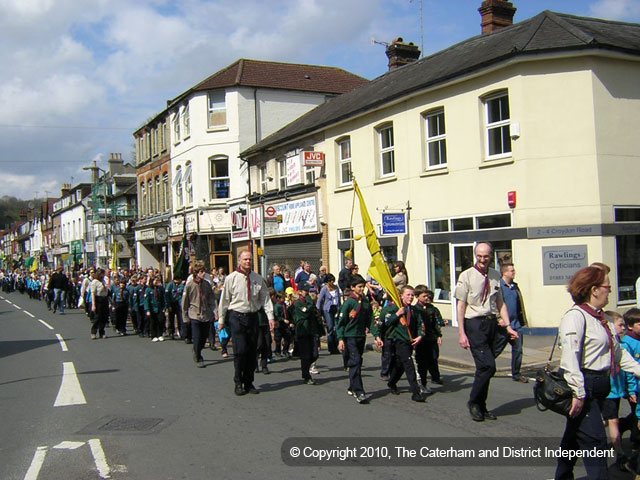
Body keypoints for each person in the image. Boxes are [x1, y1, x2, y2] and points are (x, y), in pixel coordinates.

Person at [555, 264, 640, 480]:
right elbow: (570, 358)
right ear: (594, 289)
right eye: (607, 287)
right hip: (586, 386)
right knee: (596, 443)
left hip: (601, 385)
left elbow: (619, 354)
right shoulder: (576, 317)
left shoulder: (601, 319)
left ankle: (562, 476)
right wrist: (579, 393)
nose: (610, 291)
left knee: (573, 438)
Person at [455, 242, 518, 422]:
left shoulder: (496, 275)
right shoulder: (466, 275)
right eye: (479, 256)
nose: (482, 260)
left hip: (492, 324)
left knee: (485, 369)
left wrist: (508, 326)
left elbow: (500, 303)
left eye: (486, 256)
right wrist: (461, 333)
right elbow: (461, 305)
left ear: (491, 256)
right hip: (474, 324)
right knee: (487, 366)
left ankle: (481, 405)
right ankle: (474, 403)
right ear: (476, 256)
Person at [218, 250, 274, 396]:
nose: (248, 262)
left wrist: (270, 317)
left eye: (250, 259)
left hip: (253, 316)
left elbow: (265, 298)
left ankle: (248, 382)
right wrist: (221, 319)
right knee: (240, 350)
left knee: (252, 351)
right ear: (239, 261)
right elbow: (224, 300)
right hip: (237, 317)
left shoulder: (257, 278)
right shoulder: (231, 278)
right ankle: (238, 382)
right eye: (245, 259)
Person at [336, 275, 382, 404]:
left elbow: (370, 321)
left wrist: (376, 336)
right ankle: (359, 391)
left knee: (358, 361)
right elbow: (341, 322)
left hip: (361, 336)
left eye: (363, 286)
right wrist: (340, 339)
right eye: (359, 287)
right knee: (355, 361)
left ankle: (352, 385)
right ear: (352, 288)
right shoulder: (349, 303)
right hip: (349, 336)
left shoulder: (366, 302)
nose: (362, 289)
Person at [601, 311, 632, 471]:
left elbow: (626, 369)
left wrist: (627, 388)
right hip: (608, 390)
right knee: (613, 421)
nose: (623, 328)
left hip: (617, 389)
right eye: (620, 325)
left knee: (607, 420)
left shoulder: (620, 343)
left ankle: (588, 434)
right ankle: (619, 453)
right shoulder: (606, 344)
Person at [383, 285, 425, 403]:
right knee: (409, 364)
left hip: (410, 341)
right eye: (408, 295)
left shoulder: (414, 310)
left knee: (400, 365)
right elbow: (386, 322)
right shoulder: (395, 308)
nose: (410, 297)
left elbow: (419, 324)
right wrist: (397, 314)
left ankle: (392, 382)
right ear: (401, 296)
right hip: (399, 341)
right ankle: (416, 392)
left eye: (412, 295)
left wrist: (420, 336)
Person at [493, 262, 529, 383]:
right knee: (496, 350)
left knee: (518, 350)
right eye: (511, 271)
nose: (514, 272)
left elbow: (519, 305)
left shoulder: (515, 286)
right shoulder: (498, 287)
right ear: (504, 272)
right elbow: (494, 304)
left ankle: (517, 374)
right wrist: (499, 318)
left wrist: (522, 319)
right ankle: (485, 368)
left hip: (516, 324)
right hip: (503, 326)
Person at [182, 262, 217, 368]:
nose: (203, 274)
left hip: (206, 315)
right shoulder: (189, 285)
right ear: (196, 273)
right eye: (201, 272)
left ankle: (198, 349)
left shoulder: (206, 284)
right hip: (194, 314)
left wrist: (215, 312)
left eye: (204, 271)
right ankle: (198, 356)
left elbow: (212, 300)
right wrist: (185, 317)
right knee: (196, 337)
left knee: (203, 337)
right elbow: (185, 302)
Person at [413, 285, 444, 391]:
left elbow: (436, 323)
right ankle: (422, 383)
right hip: (421, 340)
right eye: (424, 296)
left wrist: (439, 335)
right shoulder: (414, 309)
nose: (427, 298)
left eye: (427, 296)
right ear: (417, 296)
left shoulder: (431, 309)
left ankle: (435, 377)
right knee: (422, 362)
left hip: (431, 338)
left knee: (434, 358)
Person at [291, 282, 323, 384]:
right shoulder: (299, 303)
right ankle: (306, 375)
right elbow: (305, 312)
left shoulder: (309, 302)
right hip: (303, 332)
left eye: (308, 291)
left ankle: (306, 367)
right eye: (305, 291)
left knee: (314, 354)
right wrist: (310, 303)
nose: (307, 293)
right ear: (300, 292)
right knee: (306, 355)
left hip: (312, 331)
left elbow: (313, 312)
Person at [316, 273, 341, 354]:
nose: (332, 282)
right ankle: (331, 347)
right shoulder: (324, 289)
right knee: (330, 328)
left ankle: (336, 346)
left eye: (333, 280)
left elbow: (339, 299)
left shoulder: (336, 287)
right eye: (330, 281)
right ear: (327, 281)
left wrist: (341, 309)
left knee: (336, 328)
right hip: (328, 310)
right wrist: (317, 310)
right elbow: (319, 300)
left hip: (336, 309)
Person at [144, 275, 167, 342]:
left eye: (157, 280)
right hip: (152, 308)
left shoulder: (161, 289)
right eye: (155, 280)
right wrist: (147, 310)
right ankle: (153, 335)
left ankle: (160, 334)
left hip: (159, 307)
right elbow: (146, 300)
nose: (157, 282)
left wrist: (164, 307)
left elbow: (163, 298)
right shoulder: (148, 289)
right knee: (153, 322)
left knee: (160, 321)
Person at [90, 268, 109, 339]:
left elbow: (107, 292)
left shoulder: (103, 281)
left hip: (105, 299)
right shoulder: (95, 282)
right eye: (103, 274)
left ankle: (102, 332)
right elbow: (93, 293)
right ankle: (93, 332)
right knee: (97, 317)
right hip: (98, 300)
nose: (103, 275)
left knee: (104, 317)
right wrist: (93, 304)